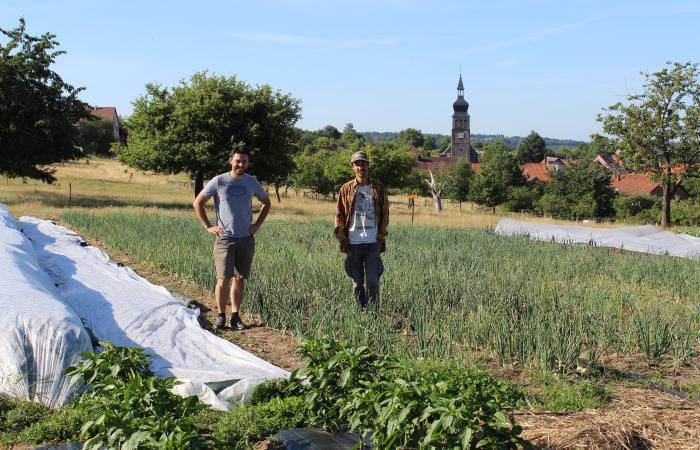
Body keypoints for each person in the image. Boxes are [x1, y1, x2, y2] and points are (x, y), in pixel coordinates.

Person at [193, 145, 271, 330]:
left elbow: (266, 203)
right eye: (237, 161)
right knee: (223, 279)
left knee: (239, 278)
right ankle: (221, 316)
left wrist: (257, 225)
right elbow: (198, 203)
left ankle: (235, 316)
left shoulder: (252, 182)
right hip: (225, 239)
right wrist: (208, 226)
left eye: (244, 161)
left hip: (245, 238)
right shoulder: (219, 181)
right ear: (231, 161)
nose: (240, 164)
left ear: (248, 163)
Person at [334, 151, 389, 311]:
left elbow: (385, 214)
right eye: (357, 164)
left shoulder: (378, 188)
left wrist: (381, 236)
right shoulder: (346, 189)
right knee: (357, 284)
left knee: (373, 282)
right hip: (353, 243)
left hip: (373, 242)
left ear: (368, 166)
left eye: (363, 164)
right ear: (353, 167)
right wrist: (341, 237)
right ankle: (361, 312)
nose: (360, 167)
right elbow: (339, 214)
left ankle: (373, 314)